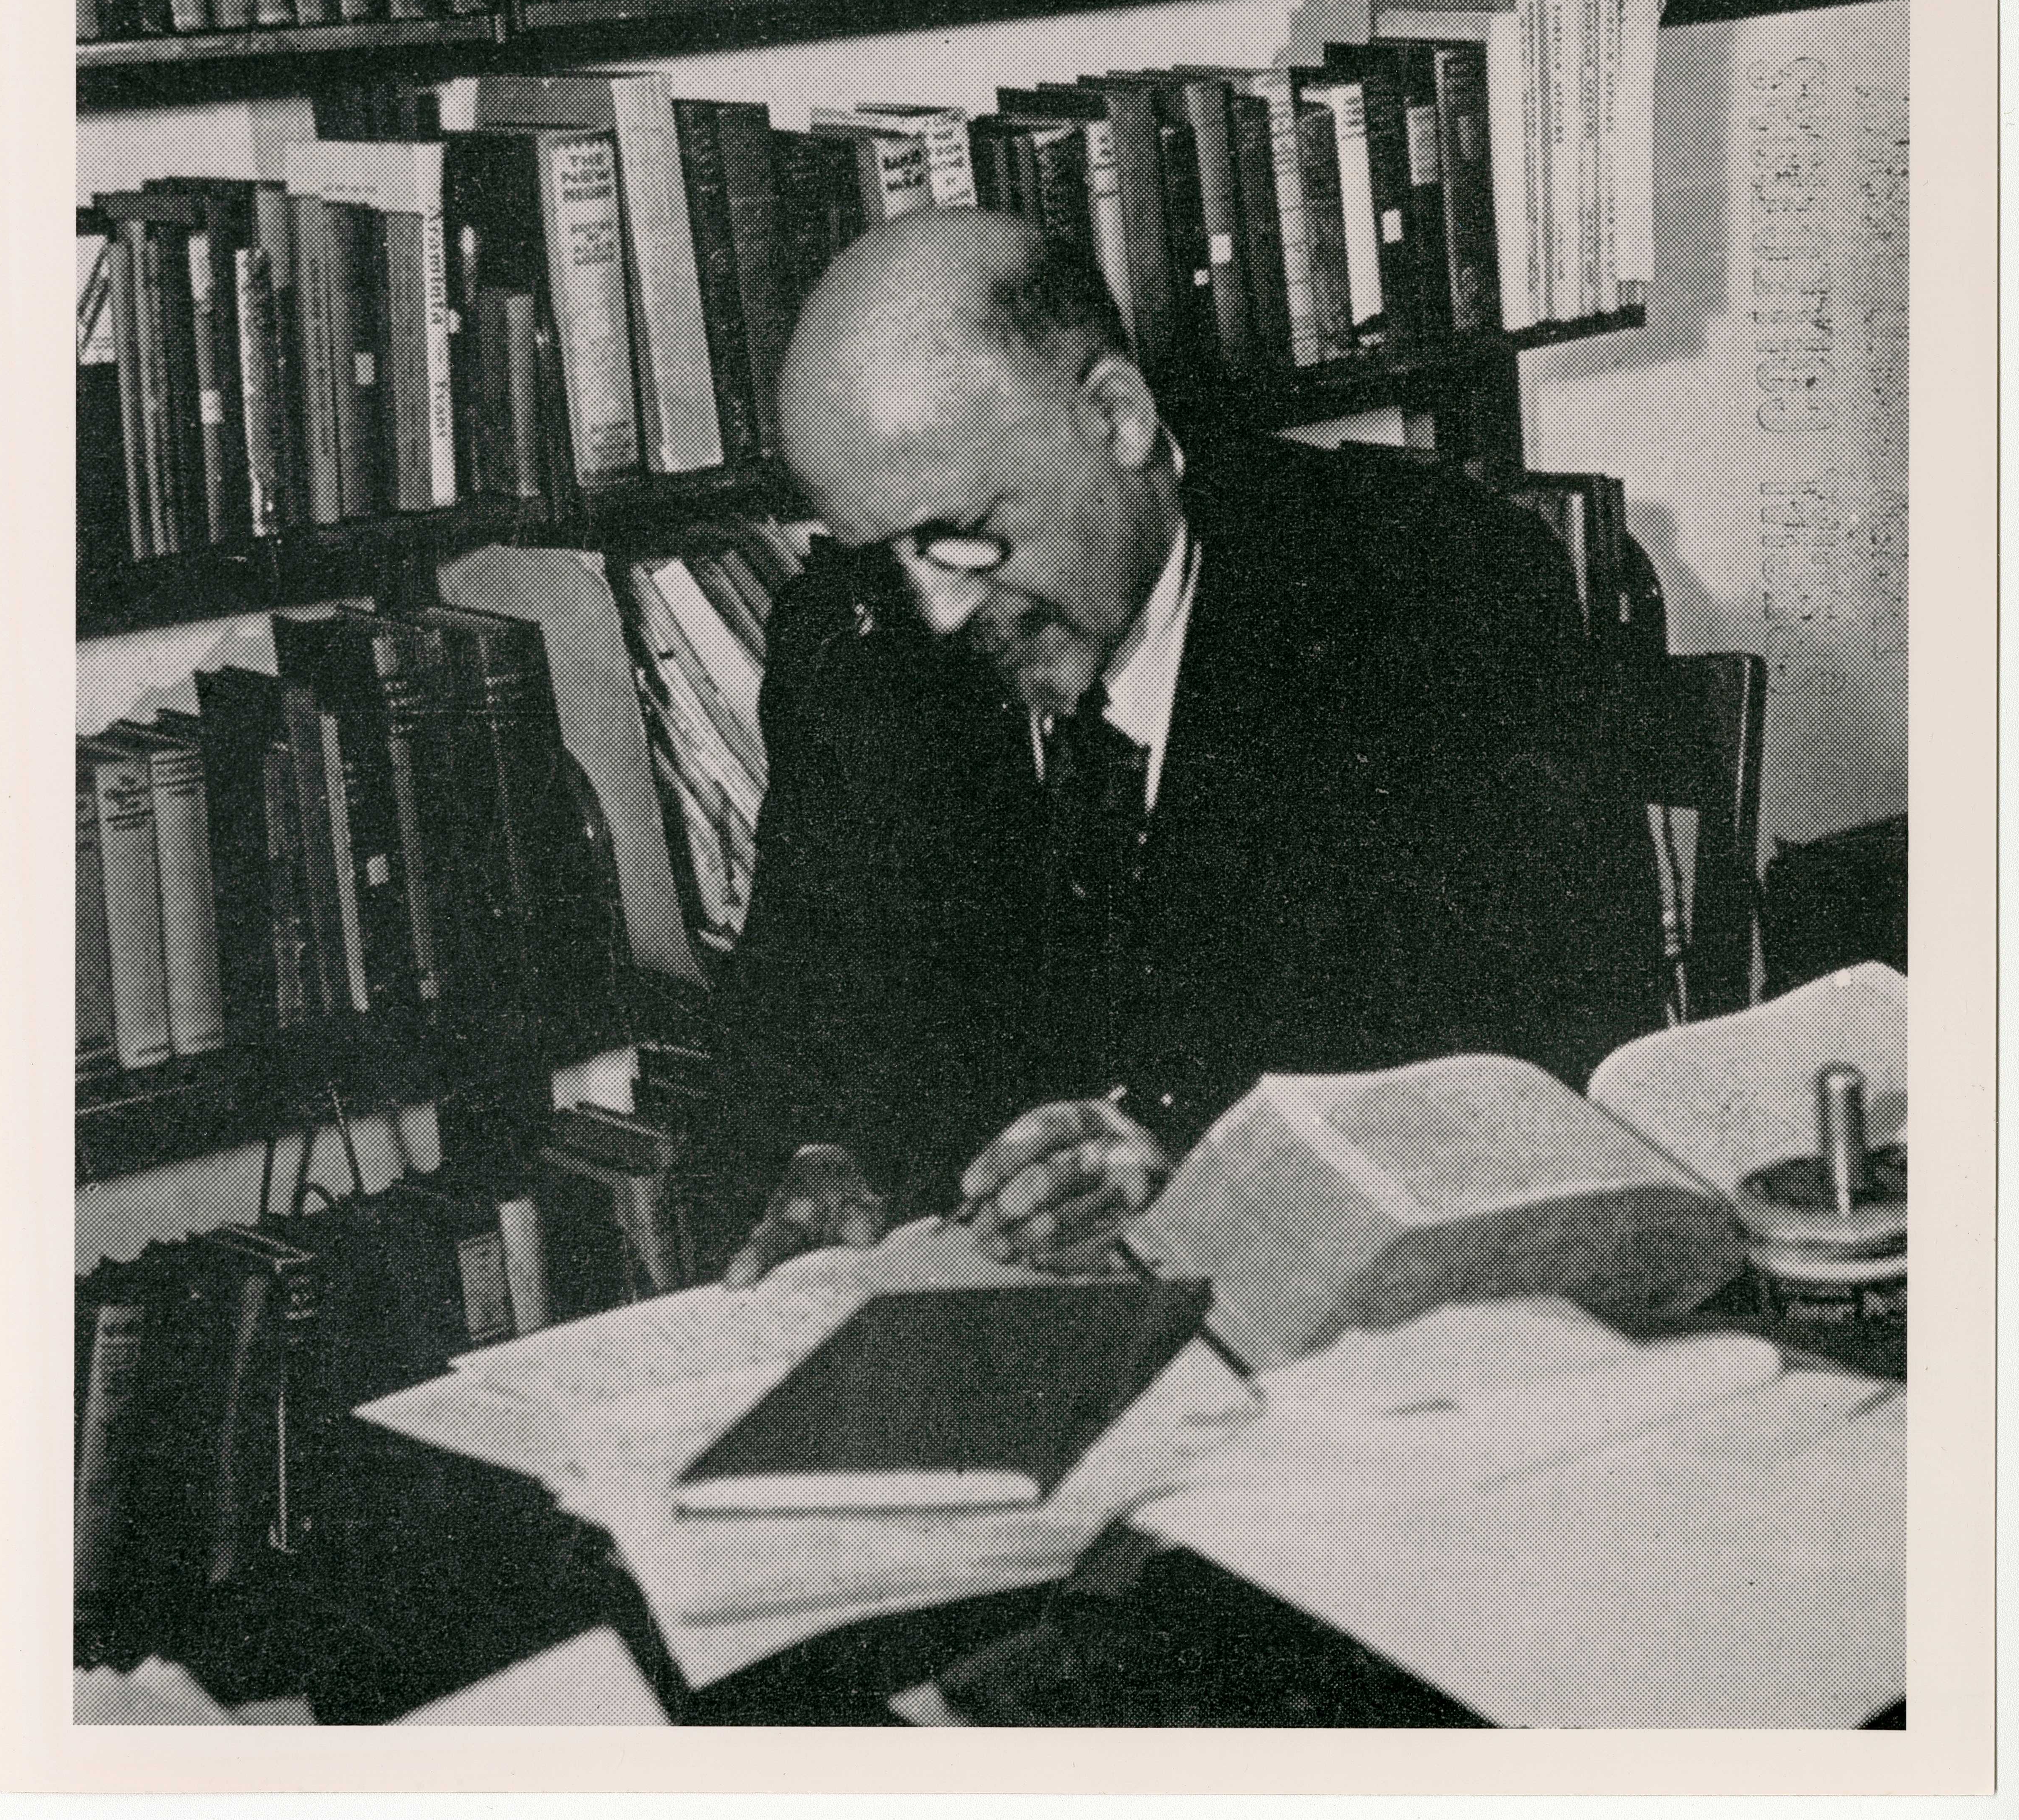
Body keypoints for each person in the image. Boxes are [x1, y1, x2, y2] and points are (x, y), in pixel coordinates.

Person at [693, 206, 1662, 1282]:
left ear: (1115, 415)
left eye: (958, 534)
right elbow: (787, 1015)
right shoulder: (851, 642)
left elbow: (1537, 1055)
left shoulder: (1430, 583)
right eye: (886, 556)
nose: (938, 611)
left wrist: (1198, 1171)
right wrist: (822, 1156)